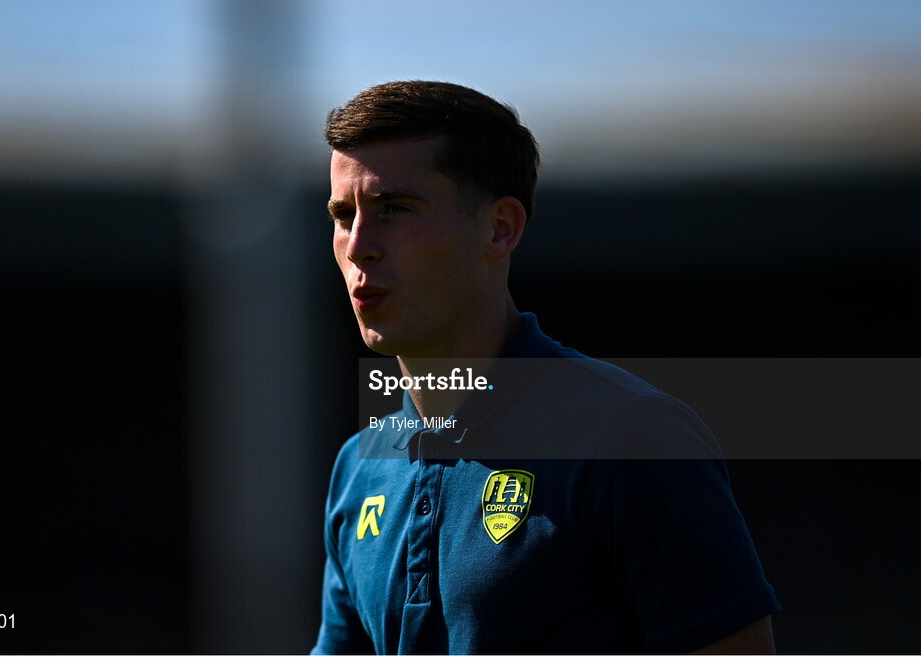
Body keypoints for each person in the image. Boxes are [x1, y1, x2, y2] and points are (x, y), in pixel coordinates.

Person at [312, 80, 779, 654]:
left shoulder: (631, 439)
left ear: (500, 228)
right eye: (342, 215)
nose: (358, 246)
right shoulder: (360, 468)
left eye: (395, 209)